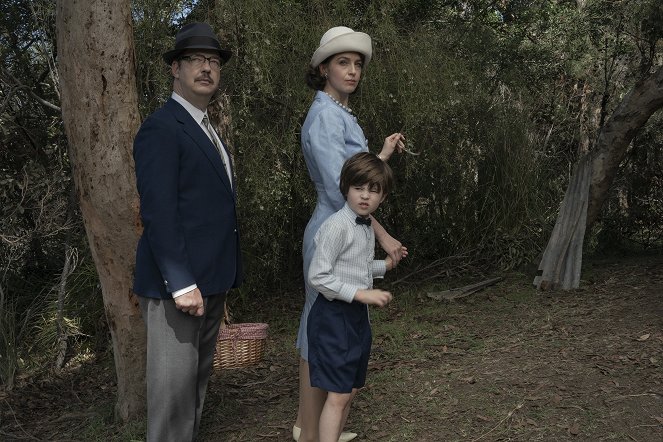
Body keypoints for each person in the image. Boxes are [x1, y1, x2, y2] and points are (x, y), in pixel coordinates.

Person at [294, 26, 407, 442]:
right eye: (343, 62)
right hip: (333, 229)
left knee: (330, 330)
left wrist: (381, 156)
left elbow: (353, 177)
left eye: (358, 64)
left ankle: (320, 426)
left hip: (348, 228)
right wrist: (384, 236)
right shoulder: (326, 115)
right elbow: (336, 189)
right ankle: (309, 430)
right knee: (319, 330)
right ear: (324, 68)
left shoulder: (339, 112)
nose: (353, 70)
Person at [132, 22, 242, 442]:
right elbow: (158, 213)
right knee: (172, 404)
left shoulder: (207, 129)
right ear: (175, 69)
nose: (206, 68)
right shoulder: (161, 128)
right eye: (195, 59)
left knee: (193, 394)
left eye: (213, 61)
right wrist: (180, 284)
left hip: (211, 282)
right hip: (175, 290)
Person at [308, 152, 405, 441]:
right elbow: (318, 276)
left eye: (373, 191)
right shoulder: (336, 226)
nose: (364, 196)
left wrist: (385, 266)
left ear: (382, 197)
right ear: (345, 188)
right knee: (338, 395)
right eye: (358, 188)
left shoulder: (364, 226)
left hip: (356, 317)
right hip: (333, 318)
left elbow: (355, 268)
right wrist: (361, 294)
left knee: (349, 391)